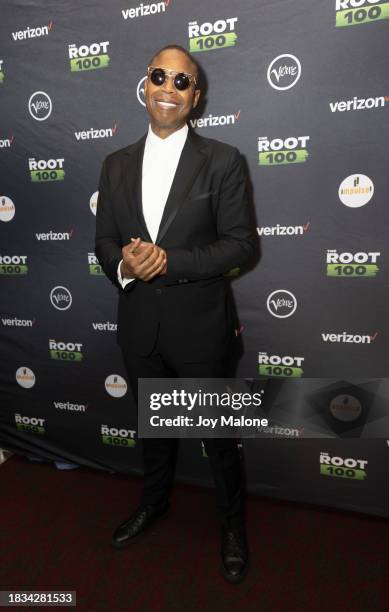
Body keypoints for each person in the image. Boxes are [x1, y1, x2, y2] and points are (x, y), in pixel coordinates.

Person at [95, 44, 257, 583]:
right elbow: (104, 243)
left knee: (216, 438)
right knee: (153, 432)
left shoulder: (225, 160)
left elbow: (240, 246)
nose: (168, 87)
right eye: (159, 76)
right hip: (141, 326)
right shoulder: (114, 164)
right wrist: (126, 266)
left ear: (196, 97)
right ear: (145, 85)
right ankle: (154, 502)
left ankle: (232, 524)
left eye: (181, 81)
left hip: (200, 329)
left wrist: (168, 261)